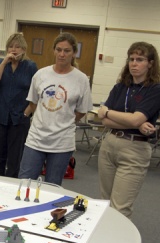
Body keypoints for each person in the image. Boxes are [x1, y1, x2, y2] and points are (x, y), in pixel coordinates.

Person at [19, 32, 92, 186]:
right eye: (58, 50)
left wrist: (63, 119)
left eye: (67, 51)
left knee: (53, 187)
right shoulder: (40, 75)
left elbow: (82, 110)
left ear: (74, 53)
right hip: (36, 139)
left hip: (62, 142)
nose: (62, 54)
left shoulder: (81, 79)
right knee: (25, 183)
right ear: (54, 51)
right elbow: (33, 103)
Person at [97, 42, 160, 218]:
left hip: (134, 150)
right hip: (109, 145)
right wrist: (136, 123)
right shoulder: (120, 87)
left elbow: (113, 115)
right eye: (131, 59)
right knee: (105, 203)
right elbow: (104, 122)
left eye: (140, 59)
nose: (134, 63)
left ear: (151, 63)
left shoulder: (155, 89)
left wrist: (109, 111)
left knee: (120, 208)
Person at [0, 33, 37, 178]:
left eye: (18, 46)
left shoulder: (30, 66)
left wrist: (27, 113)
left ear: (24, 49)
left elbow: (36, 94)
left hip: (19, 119)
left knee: (15, 159)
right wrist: (4, 62)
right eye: (11, 46)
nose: (14, 49)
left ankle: (11, 189)